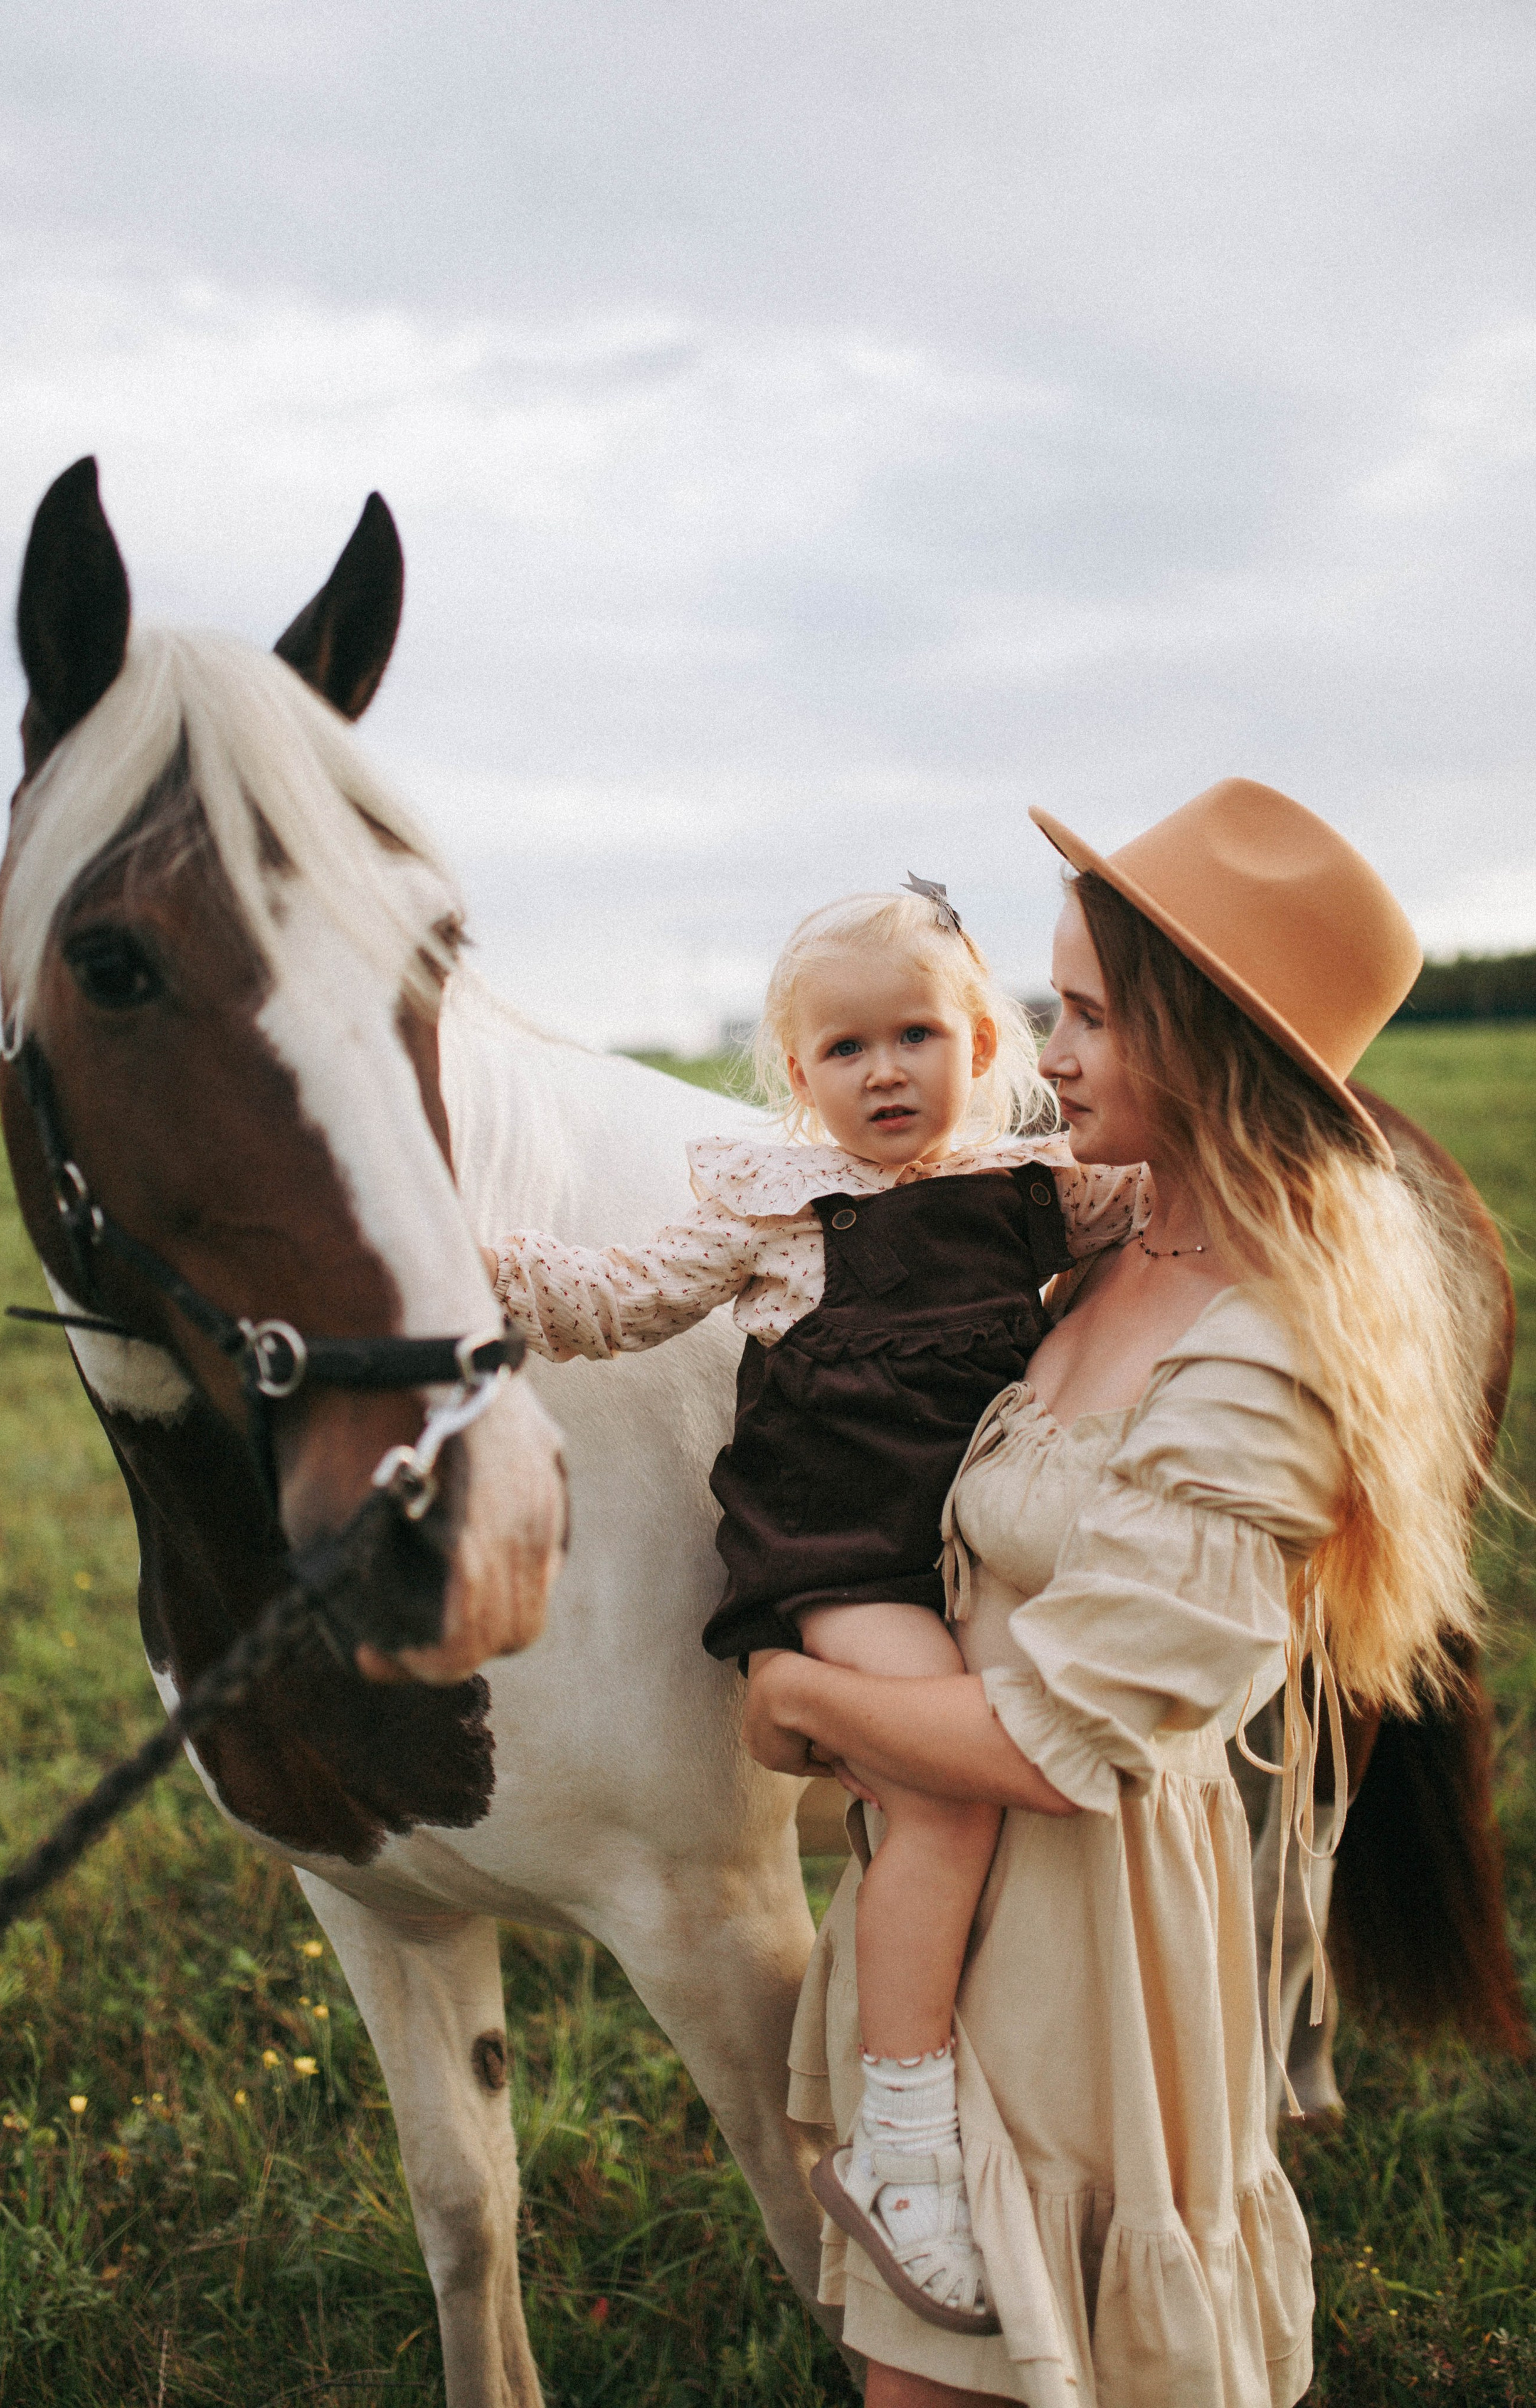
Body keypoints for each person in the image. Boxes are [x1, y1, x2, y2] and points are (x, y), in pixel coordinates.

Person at [747, 781, 1487, 2407]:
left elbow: (1054, 1738)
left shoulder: (1267, 1362)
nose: (1046, 1052)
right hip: (950, 1880)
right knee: (919, 2368)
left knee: (1014, 2359)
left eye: (1084, 1015)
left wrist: (801, 1699)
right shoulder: (1103, 1244)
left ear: (1206, 1045)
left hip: (1087, 1938)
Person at [482, 883, 1142, 2328]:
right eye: (843, 1051)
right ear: (798, 1077)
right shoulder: (773, 1208)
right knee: (945, 1797)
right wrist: (475, 1263)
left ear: (981, 1041)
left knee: (1041, 1792)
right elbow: (615, 1299)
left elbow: (1186, 1203)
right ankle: (898, 2145)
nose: (884, 1071)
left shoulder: (1039, 1190)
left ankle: (1020, 2088)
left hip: (973, 1547)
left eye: (915, 1035)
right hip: (839, 1553)